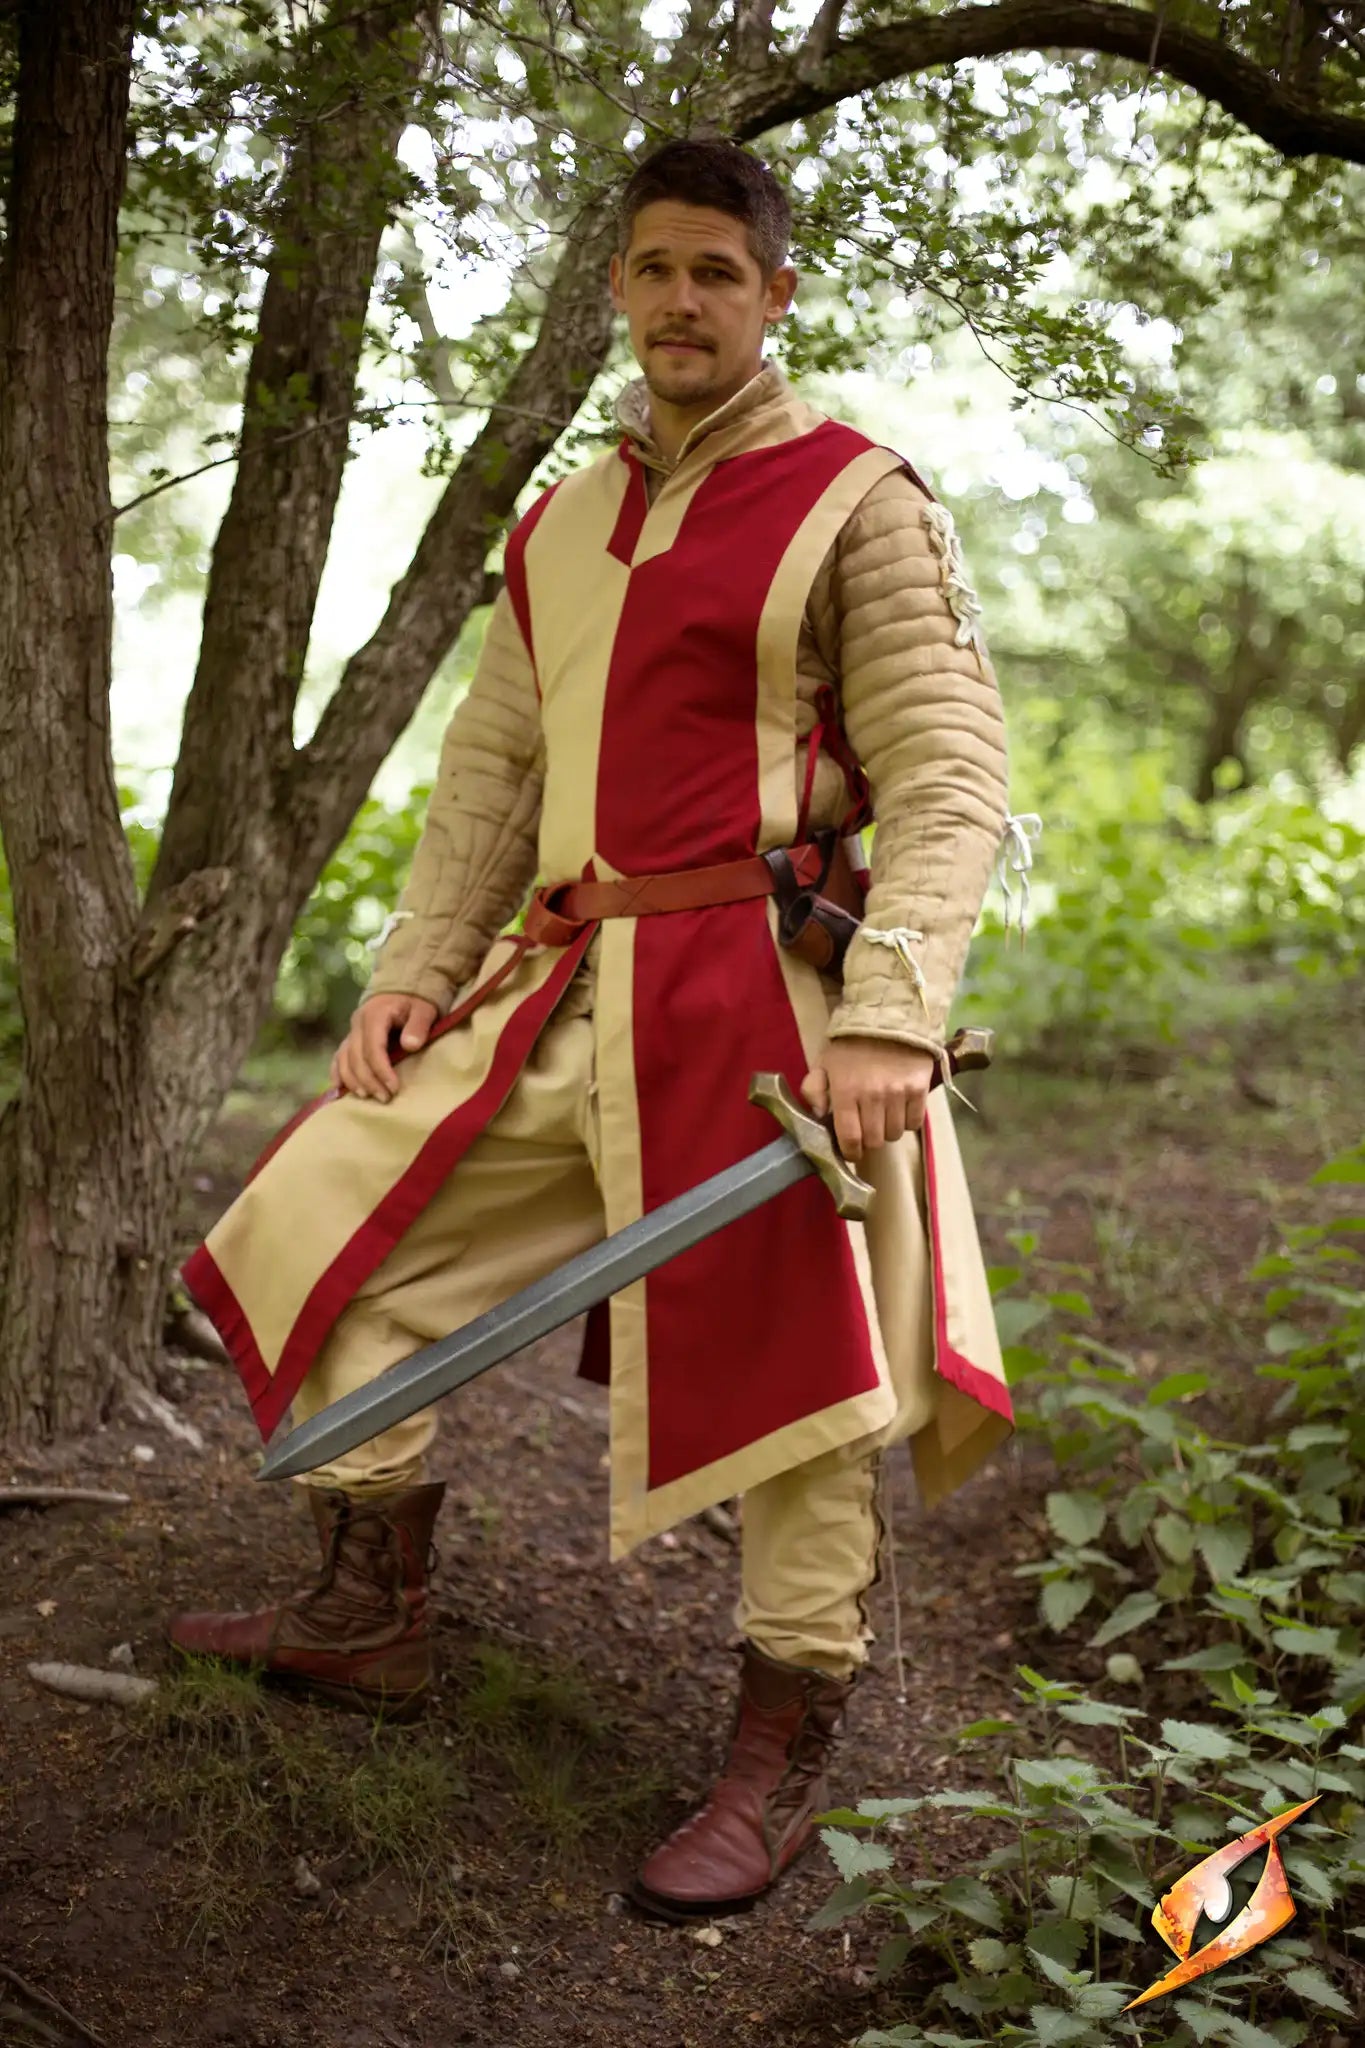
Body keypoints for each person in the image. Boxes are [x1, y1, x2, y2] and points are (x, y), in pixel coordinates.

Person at [171, 137, 1014, 1920]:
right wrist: (414, 968)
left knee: (789, 1378)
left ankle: (778, 1748)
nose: (683, 301)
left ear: (775, 293)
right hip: (565, 990)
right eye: (655, 270)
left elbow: (947, 777)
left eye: (719, 270)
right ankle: (365, 1609)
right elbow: (494, 768)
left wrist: (891, 1015)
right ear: (617, 292)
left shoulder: (854, 497)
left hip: (769, 1013)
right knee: (336, 1218)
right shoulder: (561, 516)